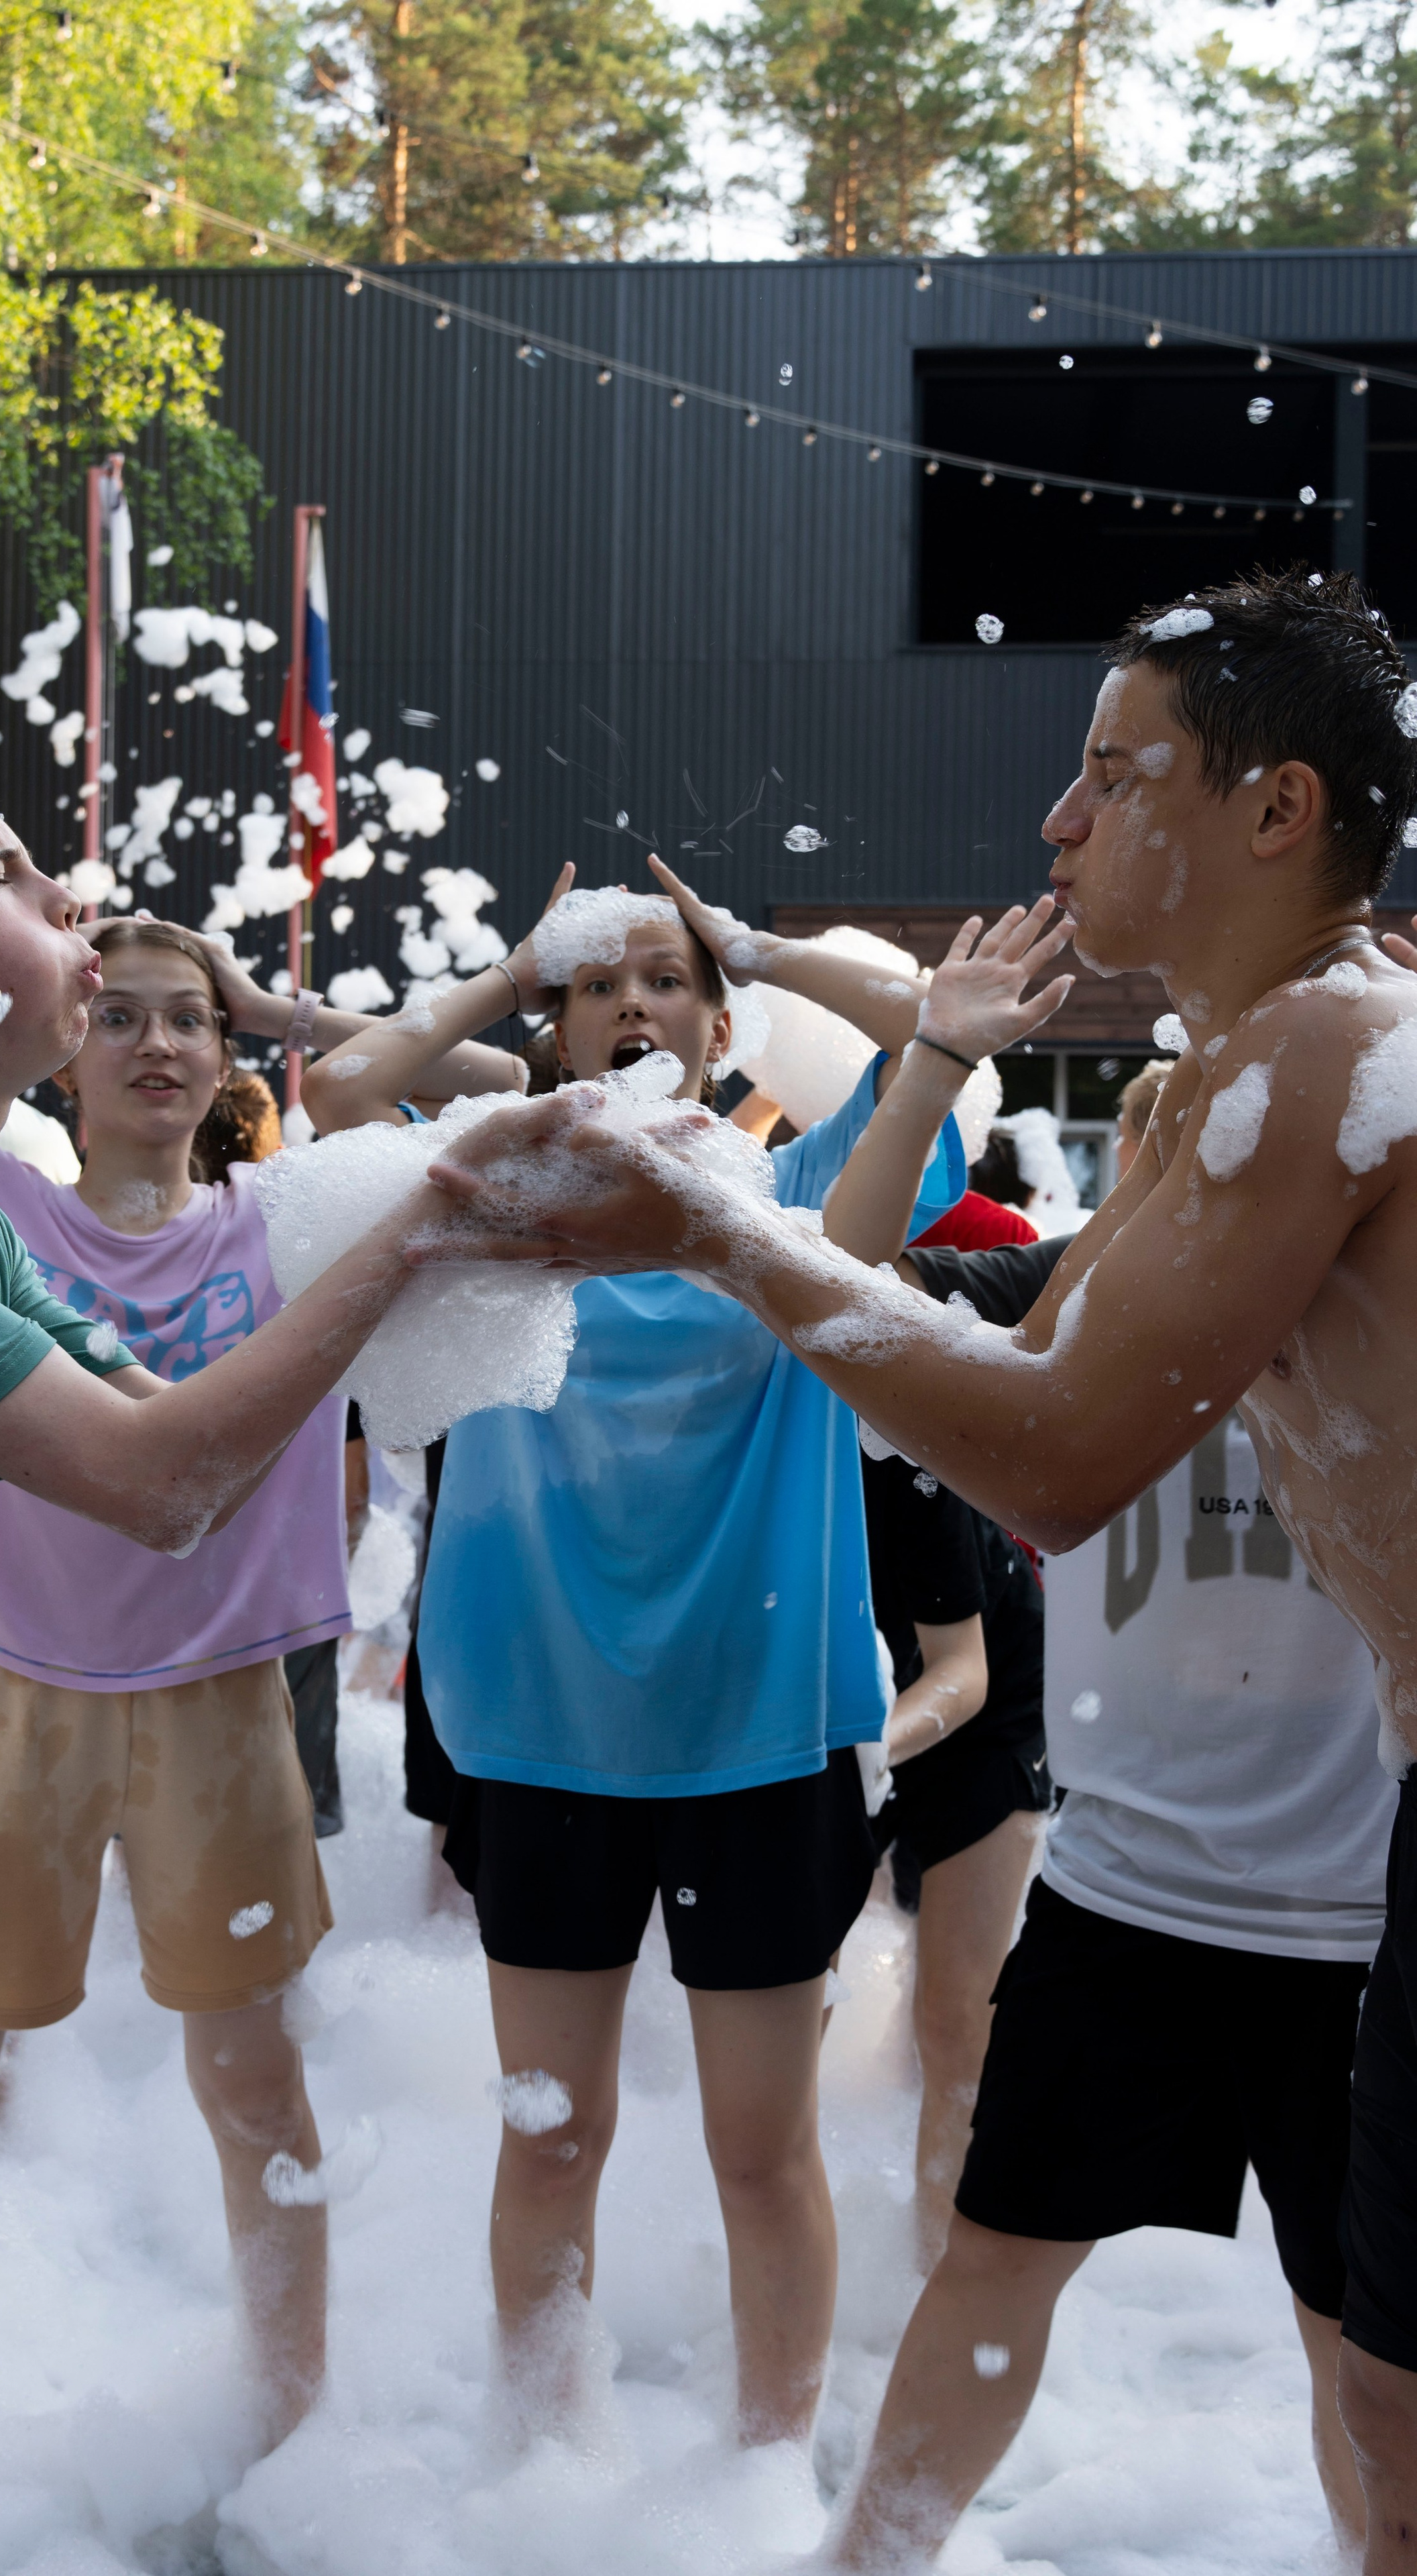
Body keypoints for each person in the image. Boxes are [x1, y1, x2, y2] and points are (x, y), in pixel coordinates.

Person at [424, 567, 1417, 2563]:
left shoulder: (1320, 1054)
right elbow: (1033, 1328)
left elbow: (1045, 1455)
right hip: (1199, 1854)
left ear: (1273, 810)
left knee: (1382, 2381)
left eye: (1107, 772)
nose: (1054, 821)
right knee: (1357, 2382)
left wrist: (722, 1233)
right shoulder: (1237, 1069)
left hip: (1336, 1853)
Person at [0, 755, 481, 2573]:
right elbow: (161, 1483)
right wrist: (412, 1238)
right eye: (11, 875)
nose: (73, 897)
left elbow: (165, 1425)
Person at [304, 866, 1073, 2448]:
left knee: (757, 2148)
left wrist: (762, 945)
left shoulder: (788, 1210)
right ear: (560, 1025)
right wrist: (517, 959)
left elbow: (937, 1051)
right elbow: (341, 1090)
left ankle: (759, 2478)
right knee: (549, 2133)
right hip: (538, 1737)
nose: (633, 1003)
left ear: (721, 1028)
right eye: (601, 984)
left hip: (759, 1736)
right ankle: (534, 2464)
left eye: (666, 982)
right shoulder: (482, 1214)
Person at [0, 914, 398, 2451]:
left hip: (223, 1706)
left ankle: (287, 2420)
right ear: (66, 1048)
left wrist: (272, 999)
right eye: (122, 1019)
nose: (160, 1045)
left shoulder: (283, 1219)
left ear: (230, 1053)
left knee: (252, 2091)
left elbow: (473, 1075)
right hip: (5, 1693)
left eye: (193, 1020)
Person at [829, 1220, 1396, 2565]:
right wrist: (940, 1054)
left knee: (1355, 2339)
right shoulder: (1096, 1273)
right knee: (995, 2256)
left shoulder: (1395, 1278)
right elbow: (845, 1288)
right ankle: (866, 2556)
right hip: (1121, 1895)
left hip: (1359, 1916)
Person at [858, 1446, 1047, 2271]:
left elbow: (960, 1676)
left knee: (952, 2017)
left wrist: (859, 1758)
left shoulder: (893, 1458)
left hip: (985, 1698)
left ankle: (938, 2275)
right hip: (855, 1704)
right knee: (799, 2003)